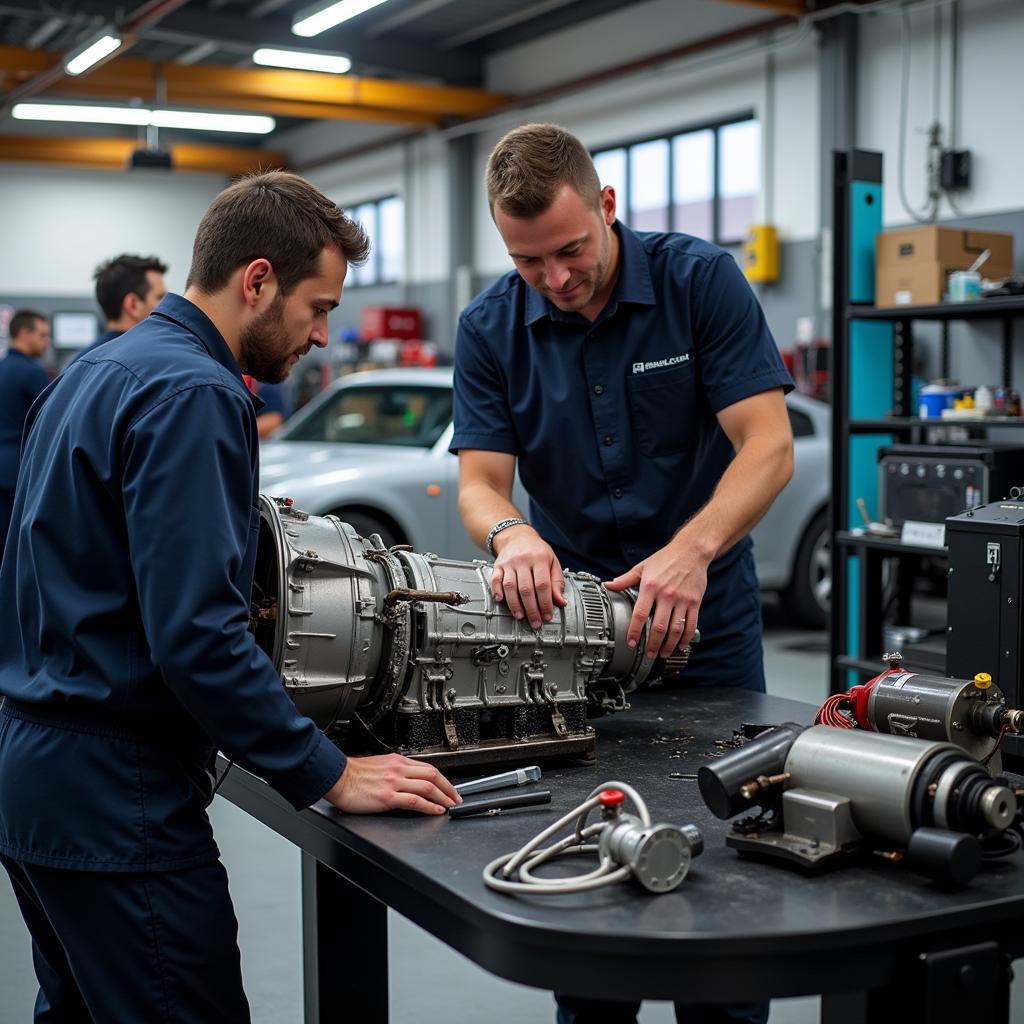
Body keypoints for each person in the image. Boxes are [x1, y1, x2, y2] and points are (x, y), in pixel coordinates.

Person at [0, 170, 460, 1024]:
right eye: (317, 307)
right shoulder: (200, 393)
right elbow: (197, 637)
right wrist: (328, 771)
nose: (323, 335)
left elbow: (71, 555)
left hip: (31, 770)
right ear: (257, 282)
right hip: (118, 798)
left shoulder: (95, 370)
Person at [450, 123, 794, 1024]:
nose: (556, 280)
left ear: (607, 207)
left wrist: (693, 548)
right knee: (590, 899)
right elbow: (481, 485)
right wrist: (515, 538)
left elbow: (768, 445)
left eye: (570, 251)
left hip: (707, 626)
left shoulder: (698, 279)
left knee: (726, 904)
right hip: (569, 645)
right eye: (530, 263)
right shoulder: (489, 327)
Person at [0, 309, 50, 551]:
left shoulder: (3, 367)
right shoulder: (32, 372)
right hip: (18, 470)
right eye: (41, 335)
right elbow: (52, 418)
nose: (46, 342)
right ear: (23, 333)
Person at [71, 252, 169, 362]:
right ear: (133, 304)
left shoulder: (80, 362)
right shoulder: (151, 361)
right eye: (160, 297)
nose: (167, 304)